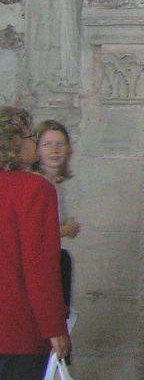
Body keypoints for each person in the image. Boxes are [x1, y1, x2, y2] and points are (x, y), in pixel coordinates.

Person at [0, 106, 71, 380]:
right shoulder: (34, 190)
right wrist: (54, 327)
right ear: (14, 146)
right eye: (31, 138)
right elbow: (40, 268)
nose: (34, 145)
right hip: (17, 327)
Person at [33, 121, 80, 309]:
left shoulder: (56, 186)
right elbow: (33, 233)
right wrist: (66, 229)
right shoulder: (36, 185)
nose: (54, 150)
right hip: (35, 267)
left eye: (60, 144)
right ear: (36, 150)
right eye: (47, 144)